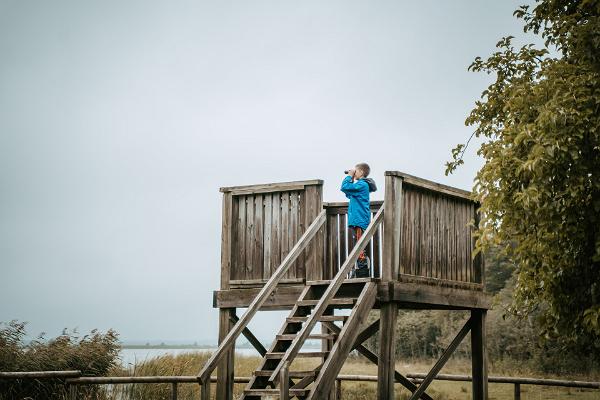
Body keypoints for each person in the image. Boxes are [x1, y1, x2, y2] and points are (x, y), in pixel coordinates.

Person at [341, 163, 377, 278]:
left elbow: (344, 187)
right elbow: (348, 193)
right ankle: (360, 269)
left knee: (360, 246)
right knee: (358, 245)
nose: (354, 172)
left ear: (361, 172)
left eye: (355, 171)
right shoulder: (360, 185)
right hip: (357, 220)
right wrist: (351, 178)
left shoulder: (362, 185)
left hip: (360, 220)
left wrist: (348, 177)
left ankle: (362, 272)